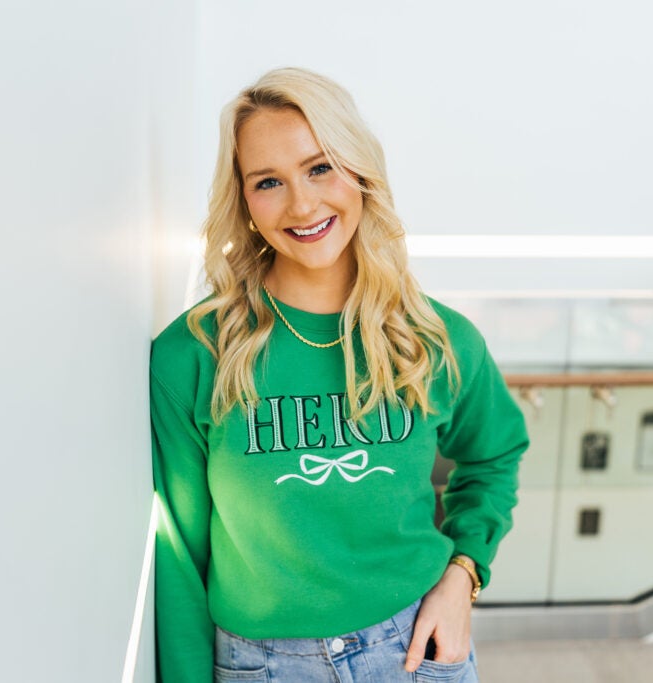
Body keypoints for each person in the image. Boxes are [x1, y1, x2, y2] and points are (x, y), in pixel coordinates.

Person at [150, 67, 528, 682]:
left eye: (320, 166)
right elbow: (178, 557)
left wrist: (464, 574)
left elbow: (494, 456)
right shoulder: (193, 354)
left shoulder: (438, 338)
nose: (303, 204)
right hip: (262, 666)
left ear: (359, 171)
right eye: (269, 181)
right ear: (244, 201)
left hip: (416, 651)